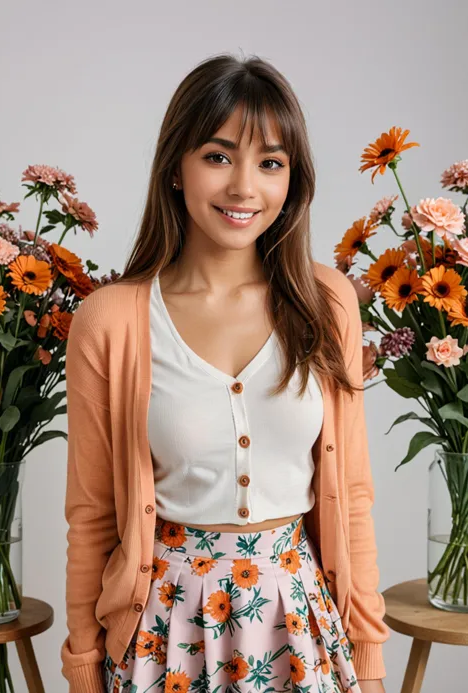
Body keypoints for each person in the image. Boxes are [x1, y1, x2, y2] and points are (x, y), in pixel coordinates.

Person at [60, 53, 390, 693]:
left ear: (292, 180)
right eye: (218, 157)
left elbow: (351, 496)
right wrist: (83, 668)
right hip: (166, 633)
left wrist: (370, 662)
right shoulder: (111, 321)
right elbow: (93, 516)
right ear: (176, 169)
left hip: (299, 625)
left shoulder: (327, 303)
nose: (244, 187)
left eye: (271, 163)